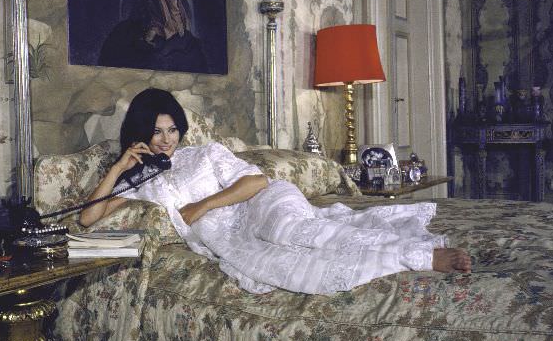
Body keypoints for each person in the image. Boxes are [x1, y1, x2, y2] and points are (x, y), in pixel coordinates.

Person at [80, 88, 472, 295]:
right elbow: (87, 218)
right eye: (156, 131)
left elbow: (257, 181)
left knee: (296, 232)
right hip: (230, 238)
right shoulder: (140, 183)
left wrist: (201, 206)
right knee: (289, 264)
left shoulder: (206, 153)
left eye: (172, 129)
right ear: (140, 133)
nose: (166, 139)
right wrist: (119, 168)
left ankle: (423, 254)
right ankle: (408, 255)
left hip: (263, 202)